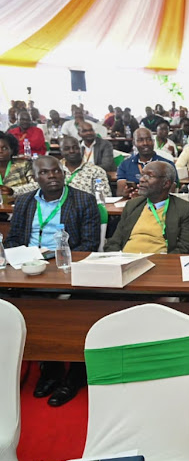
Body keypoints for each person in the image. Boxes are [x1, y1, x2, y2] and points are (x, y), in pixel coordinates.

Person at [6, 155, 100, 407]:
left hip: (66, 269)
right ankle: (50, 368)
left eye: (56, 171)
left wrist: (50, 259)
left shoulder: (83, 200)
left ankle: (75, 374)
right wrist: (27, 259)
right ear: (35, 178)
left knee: (74, 308)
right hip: (28, 269)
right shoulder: (25, 202)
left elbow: (89, 245)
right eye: (45, 173)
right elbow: (13, 240)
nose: (53, 176)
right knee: (19, 303)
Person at [106, 162, 189, 254]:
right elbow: (115, 242)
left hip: (159, 262)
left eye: (149, 176)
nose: (142, 179)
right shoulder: (132, 205)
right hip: (125, 260)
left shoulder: (184, 209)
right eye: (142, 175)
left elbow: (186, 248)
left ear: (166, 183)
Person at [116, 128, 177, 198]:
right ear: (134, 143)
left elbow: (170, 191)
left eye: (149, 139)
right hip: (132, 203)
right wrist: (125, 193)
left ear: (153, 142)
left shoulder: (167, 164)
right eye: (140, 140)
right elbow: (120, 193)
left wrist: (143, 196)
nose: (145, 143)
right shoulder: (125, 165)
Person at [0, 131, 38, 203]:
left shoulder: (24, 165)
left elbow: (36, 185)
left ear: (12, 150)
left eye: (4, 148)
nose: (0, 151)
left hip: (20, 206)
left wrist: (13, 191)